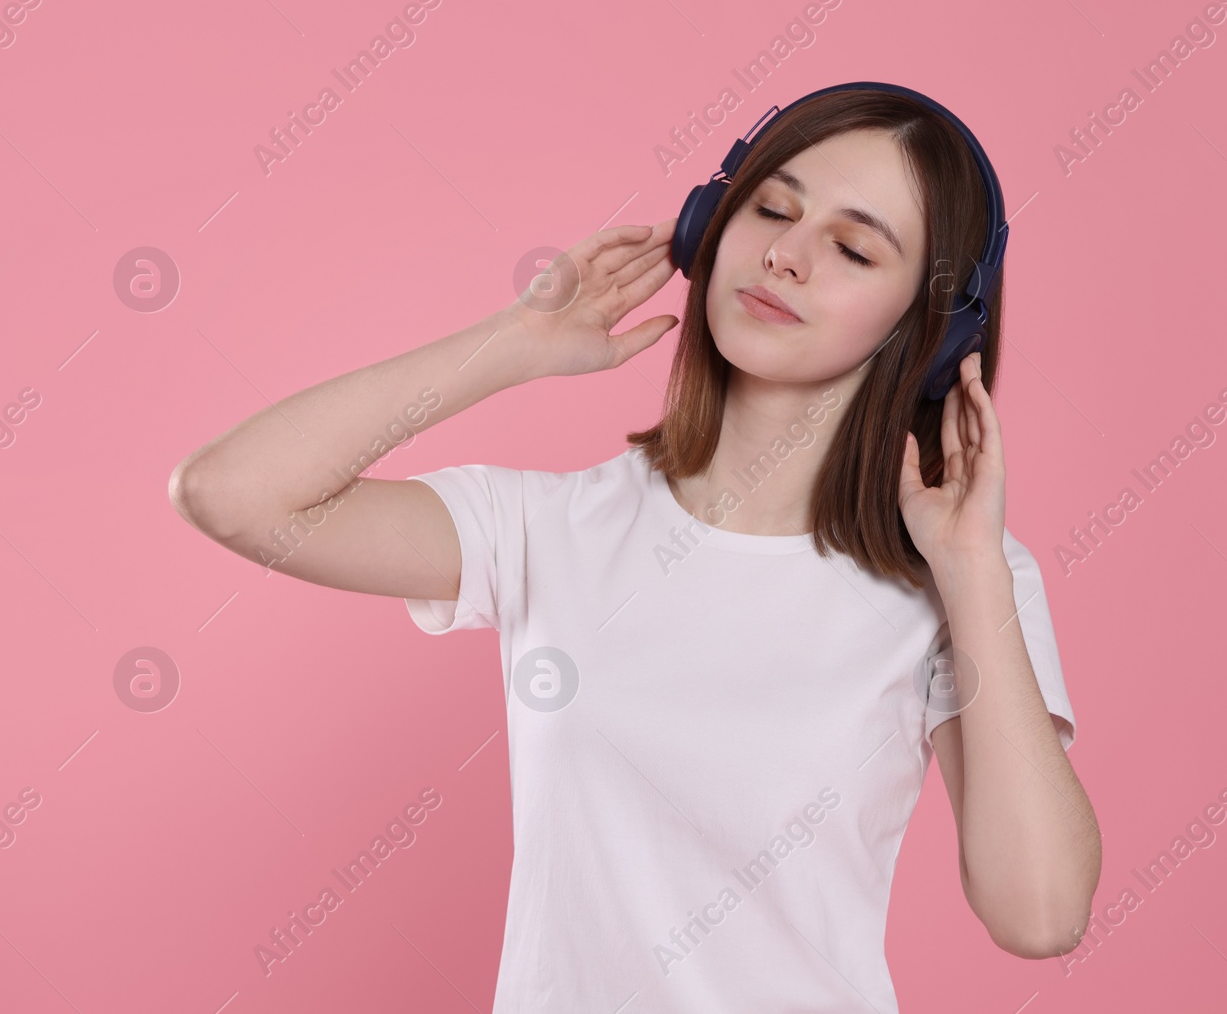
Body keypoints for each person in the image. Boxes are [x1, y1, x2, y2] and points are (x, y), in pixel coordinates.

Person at [169, 85, 1101, 1012]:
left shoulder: (956, 578)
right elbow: (231, 493)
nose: (784, 252)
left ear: (930, 334)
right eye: (772, 208)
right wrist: (513, 340)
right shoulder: (550, 530)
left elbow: (1043, 913)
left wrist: (971, 566)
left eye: (853, 248)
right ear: (709, 226)